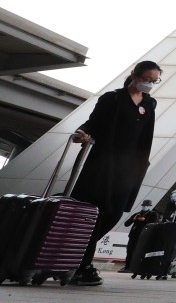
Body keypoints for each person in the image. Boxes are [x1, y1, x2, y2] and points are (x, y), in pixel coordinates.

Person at [67, 60, 163, 286]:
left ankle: (78, 256)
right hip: (104, 163)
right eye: (146, 79)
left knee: (115, 213)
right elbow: (93, 122)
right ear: (133, 75)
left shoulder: (150, 104)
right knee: (98, 212)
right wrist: (82, 133)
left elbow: (145, 136)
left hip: (129, 169)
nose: (149, 84)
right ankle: (82, 265)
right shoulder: (113, 98)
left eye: (154, 81)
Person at [119, 199, 161, 273]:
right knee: (129, 251)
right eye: (144, 205)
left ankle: (134, 267)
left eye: (147, 205)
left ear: (149, 206)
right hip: (133, 235)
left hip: (143, 236)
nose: (145, 207)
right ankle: (127, 266)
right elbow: (126, 224)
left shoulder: (153, 214)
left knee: (138, 252)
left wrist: (144, 220)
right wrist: (134, 219)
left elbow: (154, 224)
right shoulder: (137, 214)